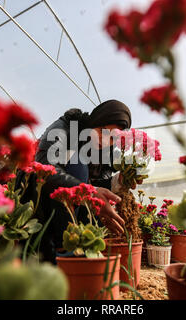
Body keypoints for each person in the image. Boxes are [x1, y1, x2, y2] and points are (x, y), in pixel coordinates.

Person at [16, 100, 133, 263]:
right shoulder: (65, 127)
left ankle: (78, 249)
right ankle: (62, 250)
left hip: (64, 203)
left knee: (99, 198)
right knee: (78, 165)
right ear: (96, 120)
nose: (105, 141)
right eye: (102, 131)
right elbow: (45, 167)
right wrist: (90, 192)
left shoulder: (103, 151)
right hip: (33, 193)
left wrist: (116, 182)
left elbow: (96, 183)